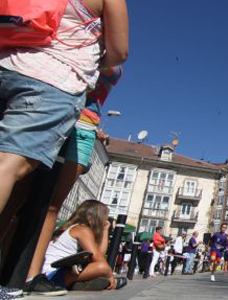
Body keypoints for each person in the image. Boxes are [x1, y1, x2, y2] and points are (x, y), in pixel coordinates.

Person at [0, 0, 128, 296]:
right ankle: (26, 276)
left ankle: (20, 273)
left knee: (28, 196)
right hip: (54, 85)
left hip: (12, 66)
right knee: (22, 182)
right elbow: (120, 52)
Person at [35, 200, 126, 294]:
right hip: (51, 275)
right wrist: (110, 275)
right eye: (104, 216)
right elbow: (100, 260)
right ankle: (73, 282)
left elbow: (100, 255)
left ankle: (77, 282)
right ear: (94, 217)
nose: (106, 220)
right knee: (102, 267)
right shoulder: (82, 229)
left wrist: (105, 230)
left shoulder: (73, 227)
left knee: (103, 267)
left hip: (51, 273)